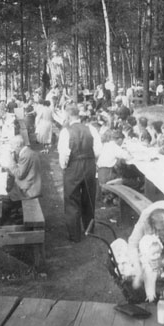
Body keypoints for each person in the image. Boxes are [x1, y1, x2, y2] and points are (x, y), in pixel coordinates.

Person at [57, 103, 102, 242]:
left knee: (72, 200)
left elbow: (64, 154)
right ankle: (90, 230)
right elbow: (98, 150)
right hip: (89, 165)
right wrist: (90, 159)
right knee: (88, 198)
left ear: (69, 116)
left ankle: (75, 235)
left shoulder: (66, 131)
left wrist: (65, 167)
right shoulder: (91, 129)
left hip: (73, 166)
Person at [5, 135, 42, 202]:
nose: (12, 148)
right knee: (7, 186)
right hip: (30, 184)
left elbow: (19, 175)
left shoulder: (26, 155)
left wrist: (11, 160)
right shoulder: (26, 152)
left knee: (5, 197)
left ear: (18, 145)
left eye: (12, 146)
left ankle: (13, 209)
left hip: (29, 191)